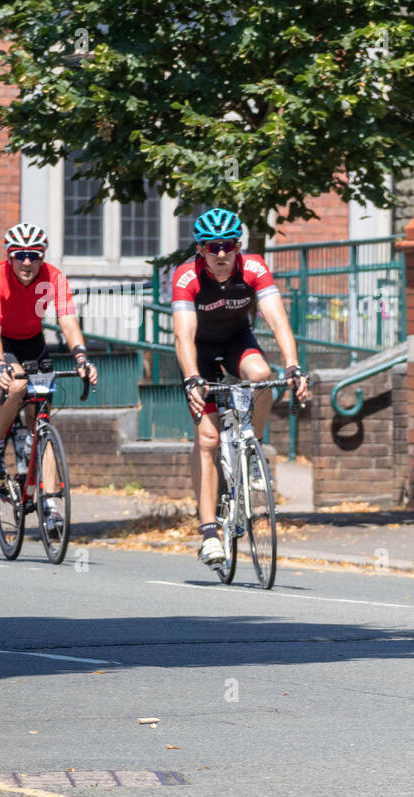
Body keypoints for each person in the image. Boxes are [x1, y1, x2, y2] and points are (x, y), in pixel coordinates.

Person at [172, 208, 311, 567]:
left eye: (229, 246)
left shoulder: (253, 268)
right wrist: (191, 376)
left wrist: (293, 365)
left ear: (238, 247)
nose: (221, 254)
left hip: (236, 341)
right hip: (199, 353)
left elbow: (277, 318)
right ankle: (207, 534)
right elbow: (183, 334)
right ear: (201, 250)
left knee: (263, 373)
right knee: (208, 439)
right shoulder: (186, 276)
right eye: (213, 247)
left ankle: (253, 445)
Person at [0, 222, 97, 533]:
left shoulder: (53, 277)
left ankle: (51, 505)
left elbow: (67, 320)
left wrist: (81, 355)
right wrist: (0, 363)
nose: (27, 262)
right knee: (16, 383)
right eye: (20, 255)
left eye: (34, 255)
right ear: (10, 257)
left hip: (31, 341)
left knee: (41, 420)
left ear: (42, 257)